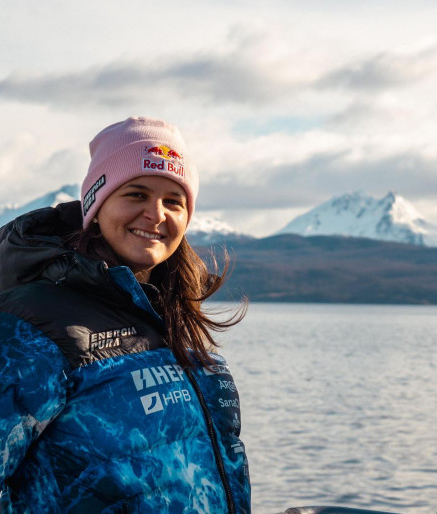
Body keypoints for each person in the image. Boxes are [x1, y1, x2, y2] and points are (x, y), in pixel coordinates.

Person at [0, 117, 251, 513]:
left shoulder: (177, 317)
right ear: (95, 206)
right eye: (136, 194)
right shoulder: (34, 323)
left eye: (174, 201)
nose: (156, 214)